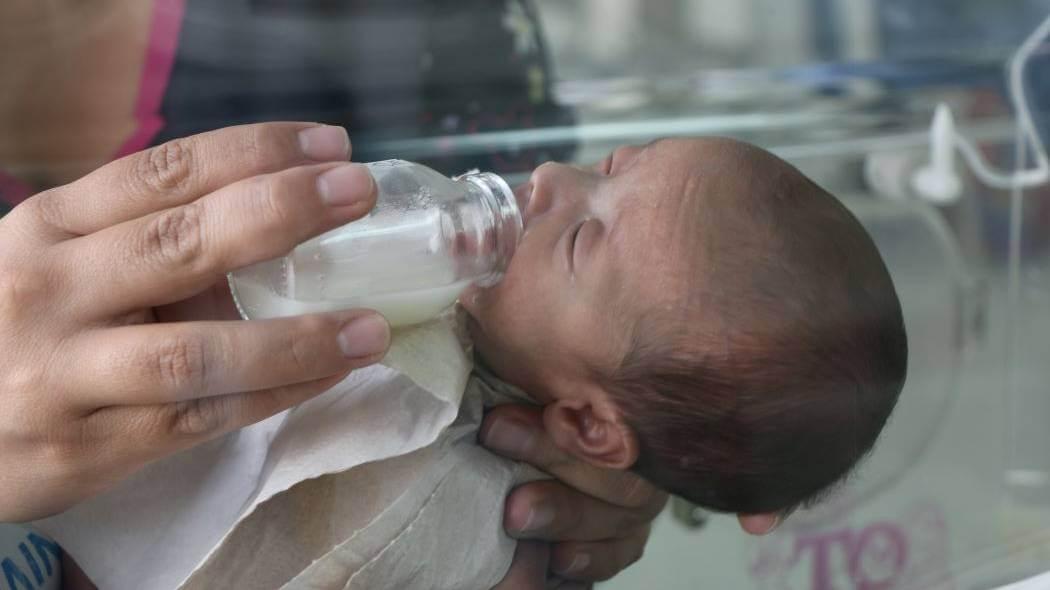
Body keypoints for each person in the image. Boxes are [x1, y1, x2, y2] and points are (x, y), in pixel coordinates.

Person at [0, 0, 782, 587]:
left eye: (608, 177)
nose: (550, 182)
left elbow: (643, 300)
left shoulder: (443, 54)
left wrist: (651, 435)